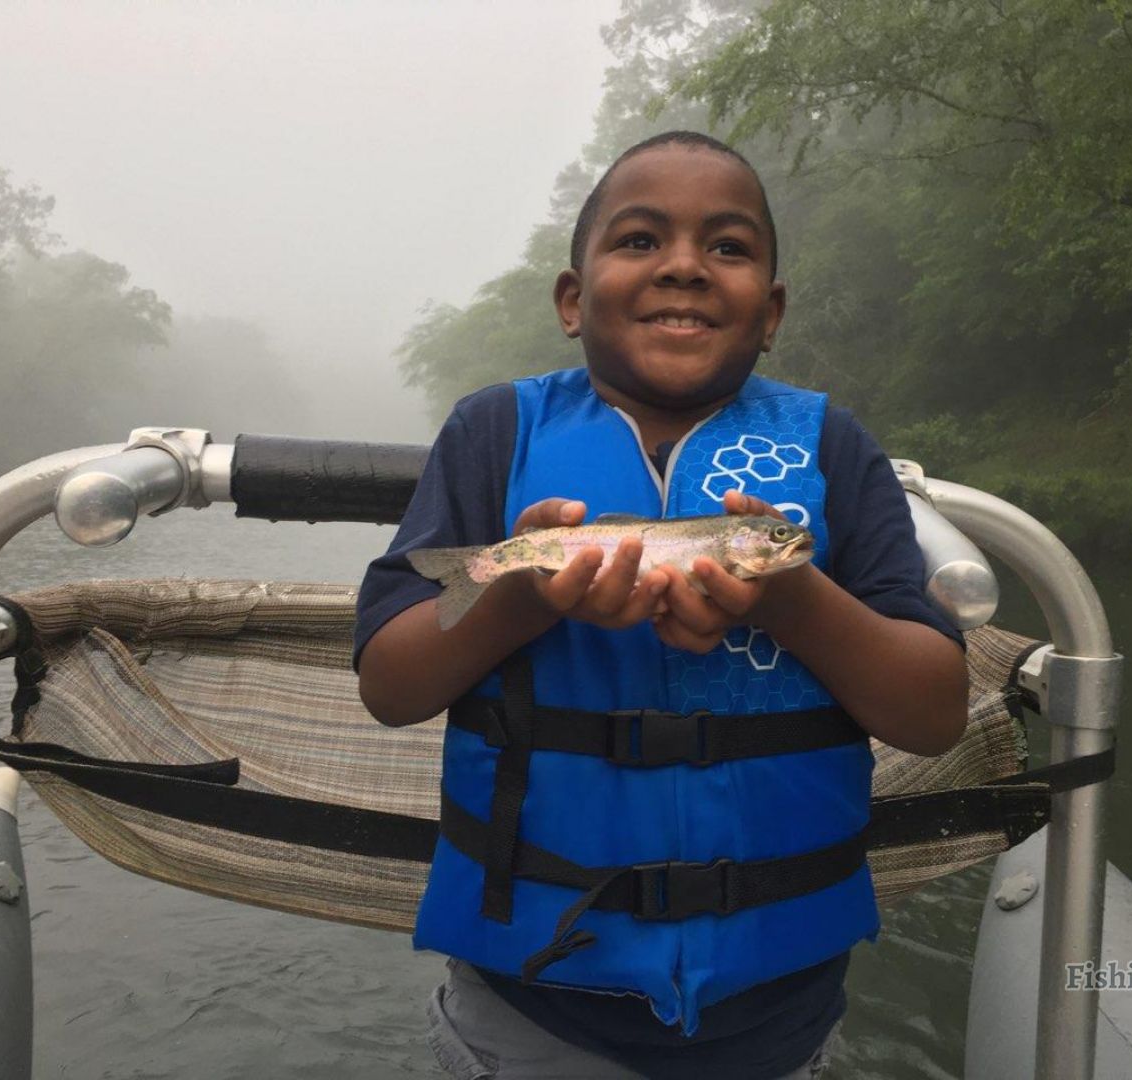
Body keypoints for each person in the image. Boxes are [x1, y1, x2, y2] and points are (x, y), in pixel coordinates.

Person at [354, 131, 968, 1080]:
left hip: (783, 1014)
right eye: (640, 240)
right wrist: (520, 604)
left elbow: (934, 714)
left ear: (770, 312)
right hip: (533, 1006)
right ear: (571, 298)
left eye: (727, 247)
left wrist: (792, 602)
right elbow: (391, 685)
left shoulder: (833, 448)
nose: (684, 267)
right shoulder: (492, 432)